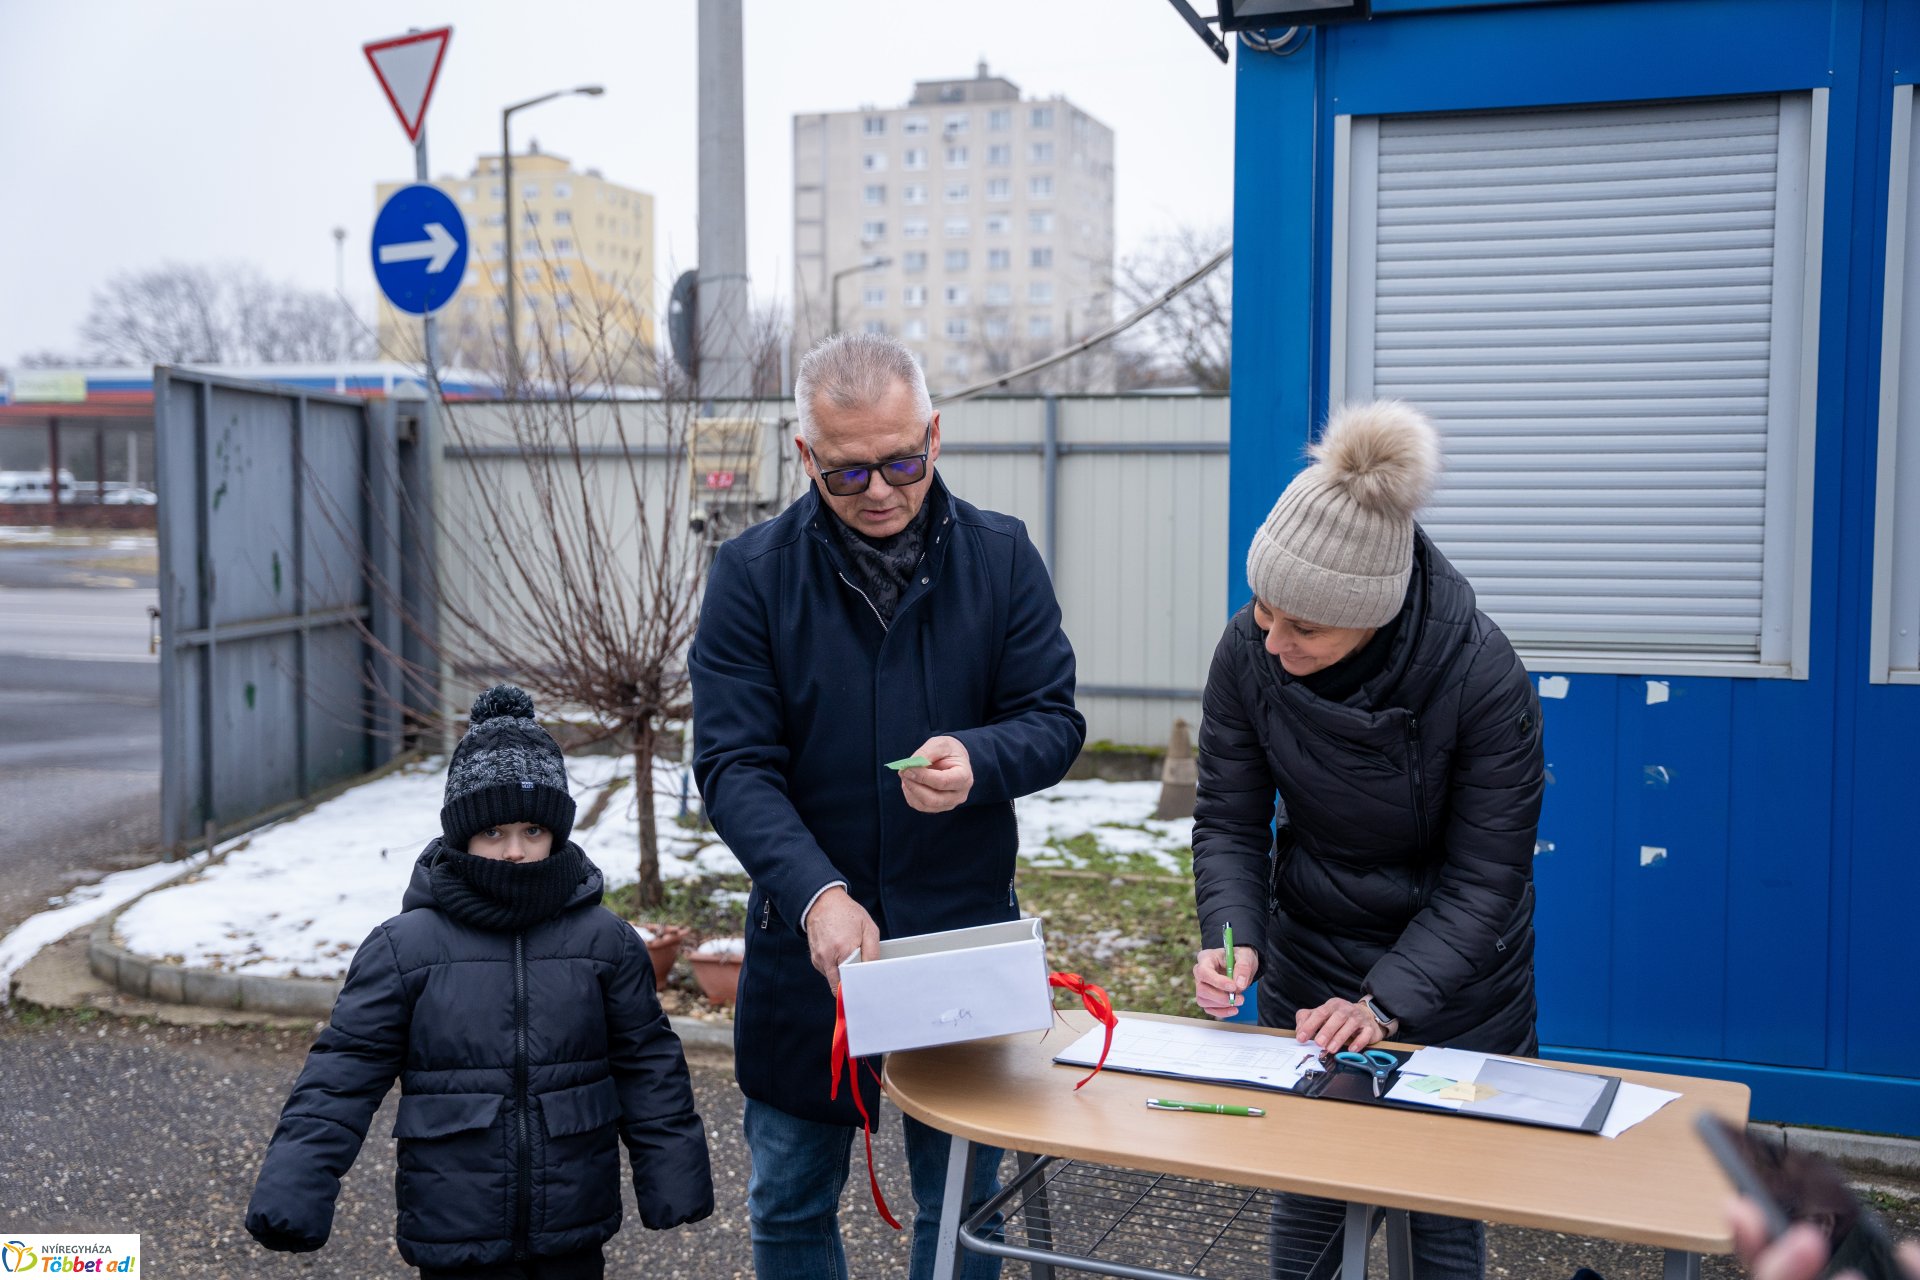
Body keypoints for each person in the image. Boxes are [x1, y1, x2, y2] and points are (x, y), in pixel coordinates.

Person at [690, 332, 1085, 1279]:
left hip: (957, 934)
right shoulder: (752, 575)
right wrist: (816, 894)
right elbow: (735, 765)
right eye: (848, 472)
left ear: (937, 436)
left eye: (903, 462)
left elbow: (1053, 720)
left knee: (959, 1206)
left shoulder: (999, 556)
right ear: (804, 458)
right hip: (810, 947)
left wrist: (980, 759)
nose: (880, 490)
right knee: (788, 1199)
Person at [1188, 399, 1545, 1280]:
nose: (1271, 640)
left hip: (1456, 993)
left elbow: (1484, 881)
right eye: (1263, 609)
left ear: (1372, 612)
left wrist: (1383, 1006)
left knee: (1438, 1232)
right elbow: (1231, 820)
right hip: (1313, 975)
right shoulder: (1249, 651)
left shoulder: (1484, 679)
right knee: (1309, 1218)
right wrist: (1230, 939)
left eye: (1302, 626)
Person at [245, 685, 714, 1279]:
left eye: (532, 831)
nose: (515, 851)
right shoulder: (405, 948)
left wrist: (674, 1175)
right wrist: (295, 1187)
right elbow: (342, 1074)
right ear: (461, 835)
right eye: (493, 833)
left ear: (556, 834)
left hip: (572, 1221)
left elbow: (647, 1060)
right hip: (453, 1227)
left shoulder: (605, 941)